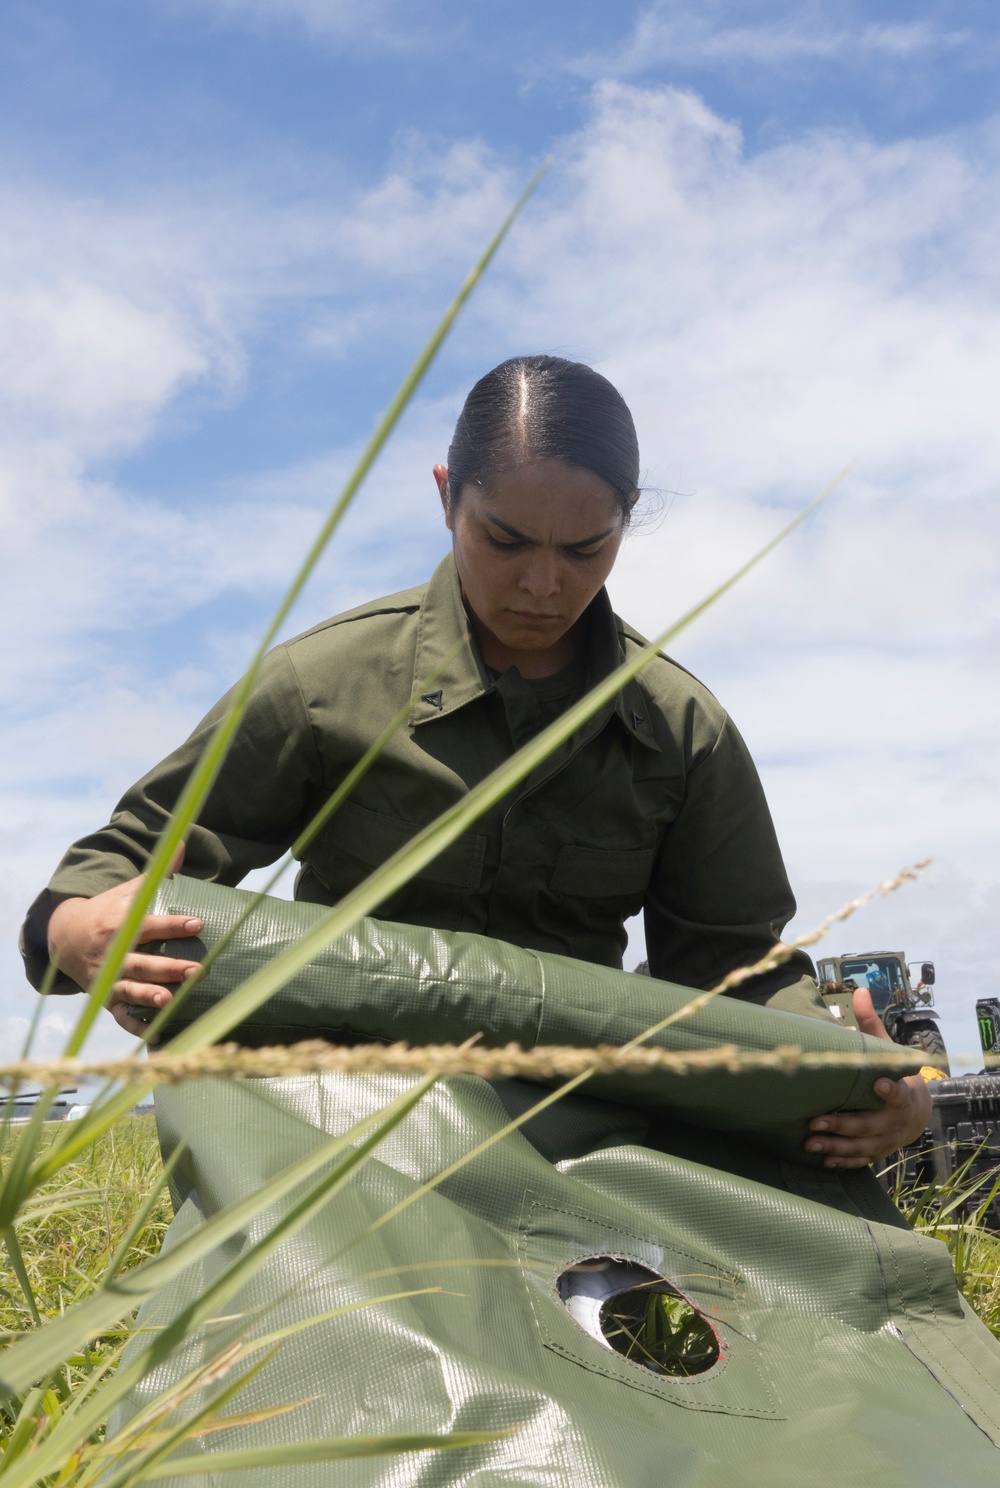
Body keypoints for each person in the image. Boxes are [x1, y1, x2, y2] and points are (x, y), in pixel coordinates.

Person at [19, 354, 930, 1170]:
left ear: (629, 520)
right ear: (446, 495)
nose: (544, 585)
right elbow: (121, 865)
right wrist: (78, 933)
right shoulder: (322, 684)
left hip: (582, 1133)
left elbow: (736, 966)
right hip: (332, 1114)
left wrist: (870, 1081)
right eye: (505, 540)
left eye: (586, 549)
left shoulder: (682, 729)